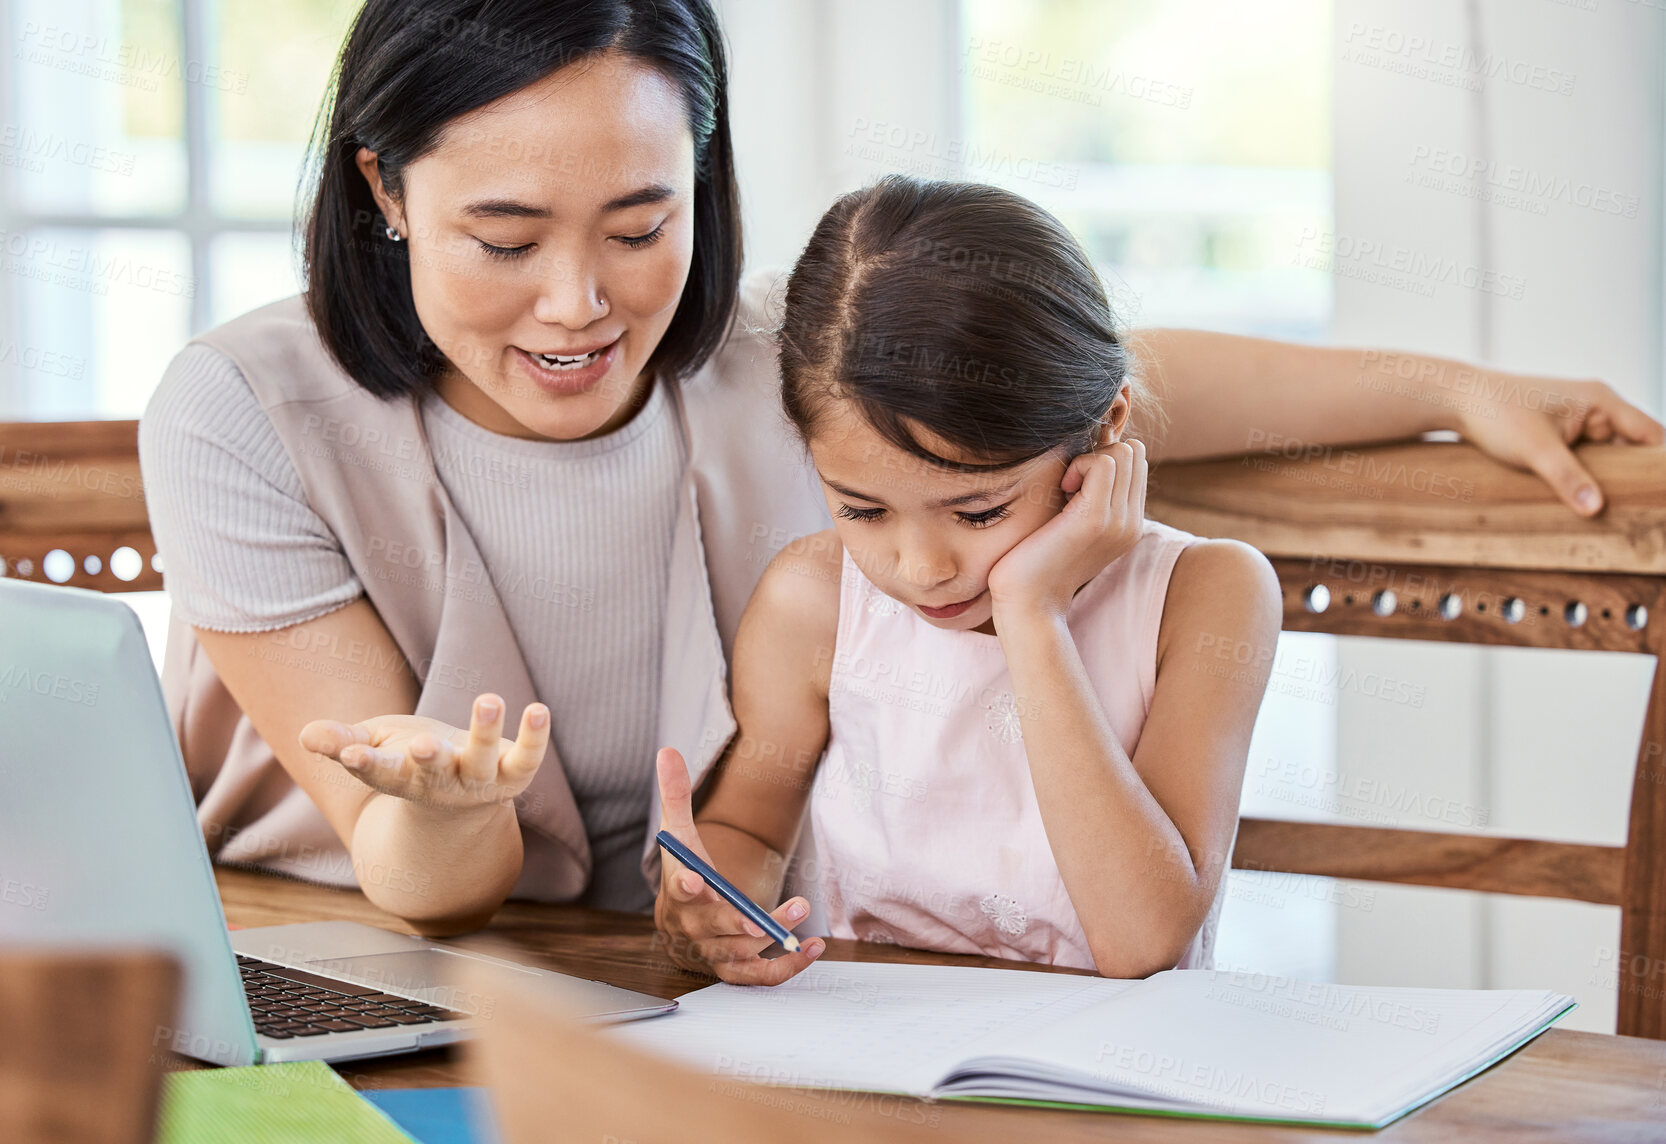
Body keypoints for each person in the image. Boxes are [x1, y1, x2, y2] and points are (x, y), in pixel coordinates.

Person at [139, 0, 1664, 937]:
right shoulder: (243, 414)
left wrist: (1451, 387)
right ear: (383, 190)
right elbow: (421, 880)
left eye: (638, 220)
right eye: (504, 236)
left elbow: (1110, 380)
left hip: (707, 989)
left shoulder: (774, 379)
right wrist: (452, 805)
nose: (579, 303)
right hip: (363, 959)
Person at [651, 176, 1280, 981]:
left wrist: (1034, 613)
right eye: (863, 510)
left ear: (1105, 429)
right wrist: (711, 906)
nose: (921, 568)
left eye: (978, 512)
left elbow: (1141, 941)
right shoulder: (813, 600)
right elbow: (752, 829)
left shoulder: (1207, 596)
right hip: (877, 1062)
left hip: (1112, 1081)